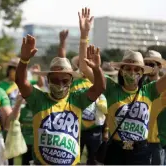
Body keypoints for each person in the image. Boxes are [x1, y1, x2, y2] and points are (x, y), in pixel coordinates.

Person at [78, 7, 166, 165]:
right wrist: (84, 35)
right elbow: (84, 68)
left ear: (142, 72)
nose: (132, 73)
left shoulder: (150, 90)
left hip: (141, 152)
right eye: (128, 69)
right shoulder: (111, 88)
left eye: (136, 69)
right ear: (121, 70)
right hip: (116, 152)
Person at [15, 34, 106, 165]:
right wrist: (24, 60)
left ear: (71, 81)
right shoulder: (38, 99)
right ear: (48, 80)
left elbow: (100, 87)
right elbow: (21, 81)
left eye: (65, 80)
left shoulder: (77, 99)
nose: (60, 85)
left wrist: (97, 69)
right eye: (55, 80)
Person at [59, 29, 108, 165]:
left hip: (95, 129)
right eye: (83, 62)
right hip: (76, 128)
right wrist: (63, 42)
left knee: (94, 160)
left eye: (88, 62)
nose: (86, 65)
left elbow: (106, 105)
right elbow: (61, 62)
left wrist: (106, 129)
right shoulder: (73, 80)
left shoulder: (96, 81)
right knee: (74, 159)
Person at [143, 50, 166, 165]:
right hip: (141, 138)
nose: (149, 67)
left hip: (159, 139)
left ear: (159, 66)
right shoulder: (139, 86)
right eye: (146, 64)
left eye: (152, 64)